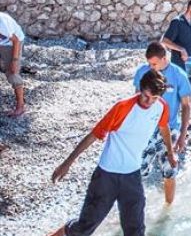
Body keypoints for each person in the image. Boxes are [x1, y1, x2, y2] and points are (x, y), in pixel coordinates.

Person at [49, 70, 175, 236]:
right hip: (106, 176)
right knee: (83, 229)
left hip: (132, 176)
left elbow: (164, 127)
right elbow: (93, 135)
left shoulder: (161, 106)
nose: (149, 102)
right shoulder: (122, 107)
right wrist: (66, 164)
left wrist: (171, 153)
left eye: (154, 98)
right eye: (146, 96)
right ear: (140, 89)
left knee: (136, 231)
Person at [133, 42, 191, 204]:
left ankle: (167, 211)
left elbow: (186, 106)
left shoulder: (179, 75)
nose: (151, 67)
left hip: (171, 129)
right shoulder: (142, 73)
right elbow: (136, 103)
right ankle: (135, 208)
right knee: (137, 170)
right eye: (149, 63)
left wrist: (182, 135)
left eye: (154, 63)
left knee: (170, 172)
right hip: (146, 130)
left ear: (164, 58)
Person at [161, 0, 191, 88]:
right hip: (179, 63)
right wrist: (181, 49)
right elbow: (165, 41)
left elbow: (186, 39)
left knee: (189, 88)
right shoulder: (177, 22)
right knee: (179, 88)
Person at [0, 12, 25, 117]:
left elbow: (16, 41)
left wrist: (14, 61)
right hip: (1, 42)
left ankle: (21, 107)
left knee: (12, 73)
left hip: (11, 44)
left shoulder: (2, 23)